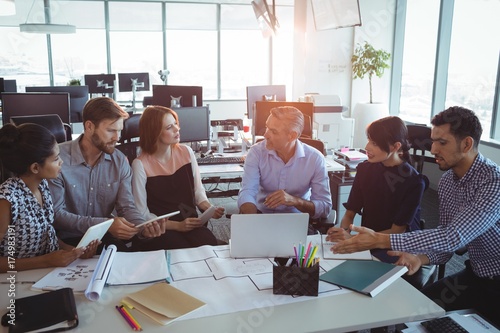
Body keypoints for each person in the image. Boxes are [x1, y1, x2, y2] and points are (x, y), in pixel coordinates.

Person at [331, 106, 500, 326]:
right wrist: (420, 258)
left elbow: (452, 237)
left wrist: (381, 239)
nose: (433, 149)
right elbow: (445, 244)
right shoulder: (448, 182)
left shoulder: (493, 181)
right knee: (413, 317)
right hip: (476, 275)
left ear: (466, 144)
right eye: (433, 141)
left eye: (442, 142)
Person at [48, 97, 165, 252]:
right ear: (89, 126)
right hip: (65, 242)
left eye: (119, 131)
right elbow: (57, 215)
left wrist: (143, 227)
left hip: (103, 237)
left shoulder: (119, 161)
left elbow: (126, 207)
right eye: (111, 131)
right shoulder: (57, 159)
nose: (117, 138)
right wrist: (107, 224)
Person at [325, 116, 430, 288]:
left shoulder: (414, 182)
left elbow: (397, 231)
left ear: (396, 147)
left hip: (395, 246)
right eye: (369, 140)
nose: (367, 147)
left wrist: (357, 240)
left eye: (374, 143)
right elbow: (350, 213)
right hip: (368, 242)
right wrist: (343, 232)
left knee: (362, 281)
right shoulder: (365, 169)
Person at [0, 123, 98, 272]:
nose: (61, 162)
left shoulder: (43, 186)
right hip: (16, 281)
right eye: (55, 159)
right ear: (35, 168)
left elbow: (46, 232)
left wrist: (73, 252)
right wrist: (45, 261)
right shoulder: (7, 199)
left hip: (46, 272)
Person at [131, 105, 224, 250]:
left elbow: (198, 193)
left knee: (208, 242)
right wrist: (178, 226)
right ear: (154, 132)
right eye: (169, 127)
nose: (177, 129)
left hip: (189, 222)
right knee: (179, 249)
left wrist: (209, 209)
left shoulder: (186, 152)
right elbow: (142, 214)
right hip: (162, 228)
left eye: (176, 123)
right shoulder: (140, 164)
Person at [237, 106, 332, 222]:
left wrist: (295, 201)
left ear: (292, 136)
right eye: (267, 127)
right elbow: (248, 191)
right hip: (261, 216)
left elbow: (325, 206)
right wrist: (251, 220)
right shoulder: (256, 152)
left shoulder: (315, 159)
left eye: (273, 131)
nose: (265, 135)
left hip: (296, 220)